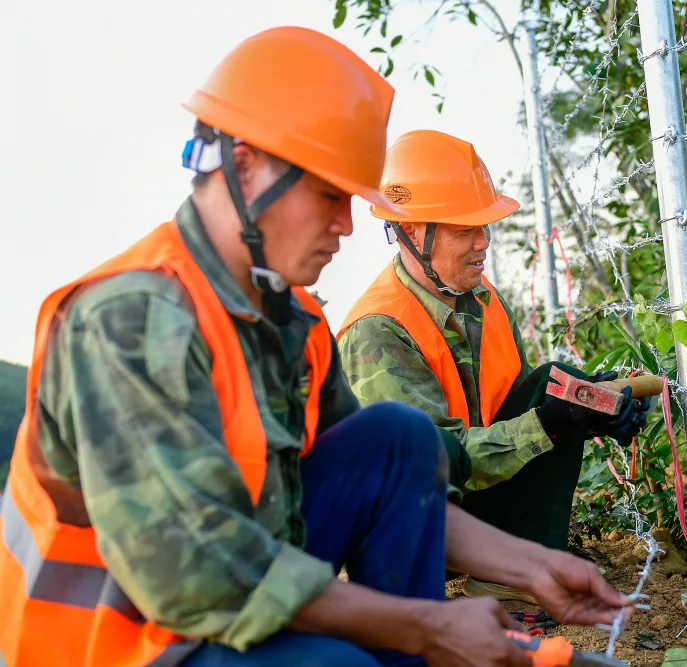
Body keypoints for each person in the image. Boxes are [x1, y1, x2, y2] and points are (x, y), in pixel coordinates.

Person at [0, 27, 632, 667]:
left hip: (225, 603)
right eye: (329, 193)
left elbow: (395, 480)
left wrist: (536, 566)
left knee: (398, 438)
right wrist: (428, 628)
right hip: (119, 642)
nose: (347, 224)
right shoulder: (130, 323)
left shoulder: (291, 317)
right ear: (244, 168)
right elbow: (199, 579)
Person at [337, 129, 650, 605]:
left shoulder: (483, 300)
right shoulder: (378, 332)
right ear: (412, 231)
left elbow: (522, 404)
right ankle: (500, 570)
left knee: (557, 382)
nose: (482, 243)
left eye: (484, 227)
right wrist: (553, 420)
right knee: (554, 404)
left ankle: (513, 570)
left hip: (473, 500)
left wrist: (590, 406)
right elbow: (431, 465)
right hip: (413, 528)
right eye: (465, 229)